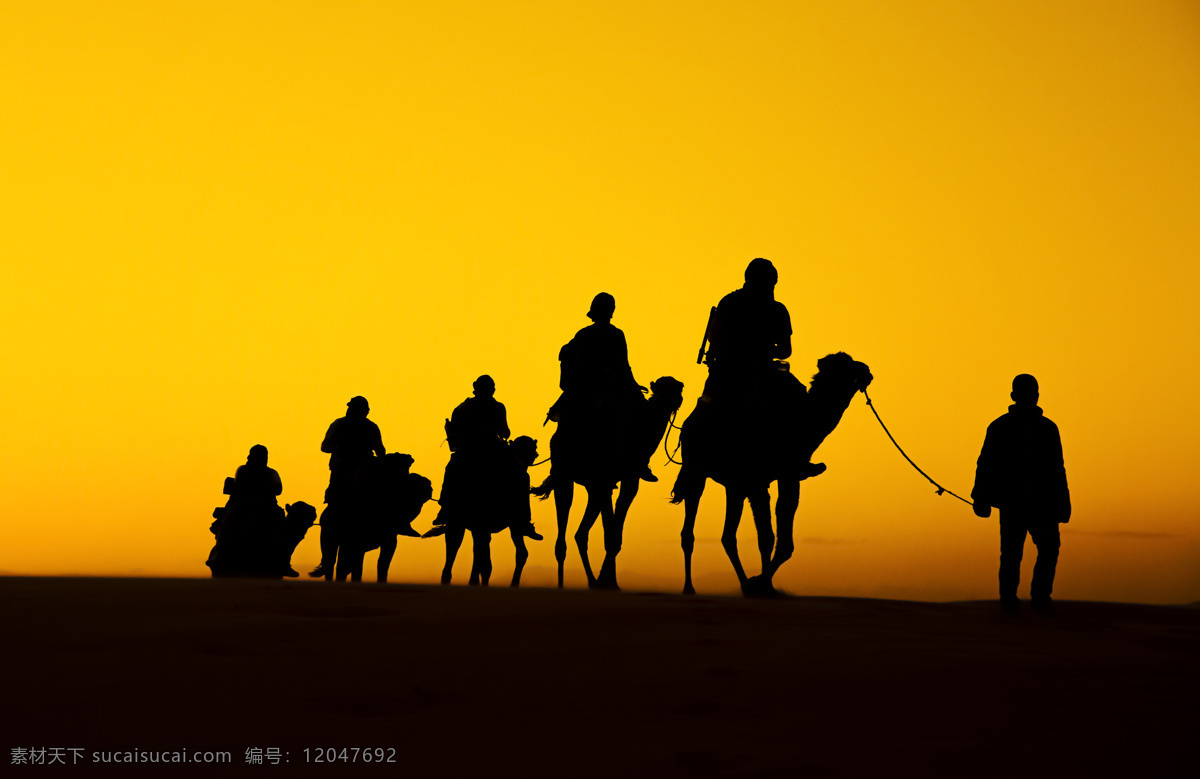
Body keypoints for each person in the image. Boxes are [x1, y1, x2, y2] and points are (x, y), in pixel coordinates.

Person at [698, 258, 823, 478]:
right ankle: (695, 456)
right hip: (730, 369)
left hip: (763, 370)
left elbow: (785, 349)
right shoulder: (730, 303)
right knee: (705, 408)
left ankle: (797, 458)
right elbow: (715, 340)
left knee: (798, 395)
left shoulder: (777, 310)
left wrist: (764, 351)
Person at [971, 374, 1071, 614]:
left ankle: (1038, 598)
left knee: (1043, 550)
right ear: (1015, 396)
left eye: (1032, 394)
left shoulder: (1047, 429)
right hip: (1015, 504)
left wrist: (1063, 504)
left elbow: (1058, 468)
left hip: (1040, 505)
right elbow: (985, 464)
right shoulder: (1001, 427)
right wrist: (980, 498)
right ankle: (1012, 602)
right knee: (1013, 554)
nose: (1030, 398)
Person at [553, 292, 654, 481]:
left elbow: (624, 363)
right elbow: (576, 360)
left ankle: (639, 461)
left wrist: (633, 385)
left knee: (643, 413)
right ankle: (562, 465)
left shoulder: (617, 334)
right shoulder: (584, 334)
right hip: (589, 387)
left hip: (614, 386)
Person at [310, 396, 386, 579]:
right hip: (342, 471)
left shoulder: (370, 427)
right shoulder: (340, 425)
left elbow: (380, 450)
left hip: (364, 471)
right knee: (333, 508)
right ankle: (329, 549)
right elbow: (325, 446)